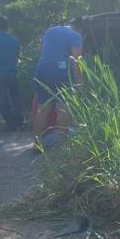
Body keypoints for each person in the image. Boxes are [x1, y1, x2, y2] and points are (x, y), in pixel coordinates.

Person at [32, 18, 83, 146]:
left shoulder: (51, 31)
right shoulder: (76, 35)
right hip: (61, 71)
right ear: (80, 28)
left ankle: (37, 143)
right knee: (63, 107)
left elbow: (41, 52)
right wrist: (79, 84)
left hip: (42, 68)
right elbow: (76, 62)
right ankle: (61, 146)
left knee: (43, 107)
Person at [0, 15, 24, 131]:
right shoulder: (13, 41)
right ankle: (19, 120)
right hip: (11, 73)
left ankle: (10, 123)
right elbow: (16, 57)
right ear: (7, 27)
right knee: (15, 97)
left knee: (3, 100)